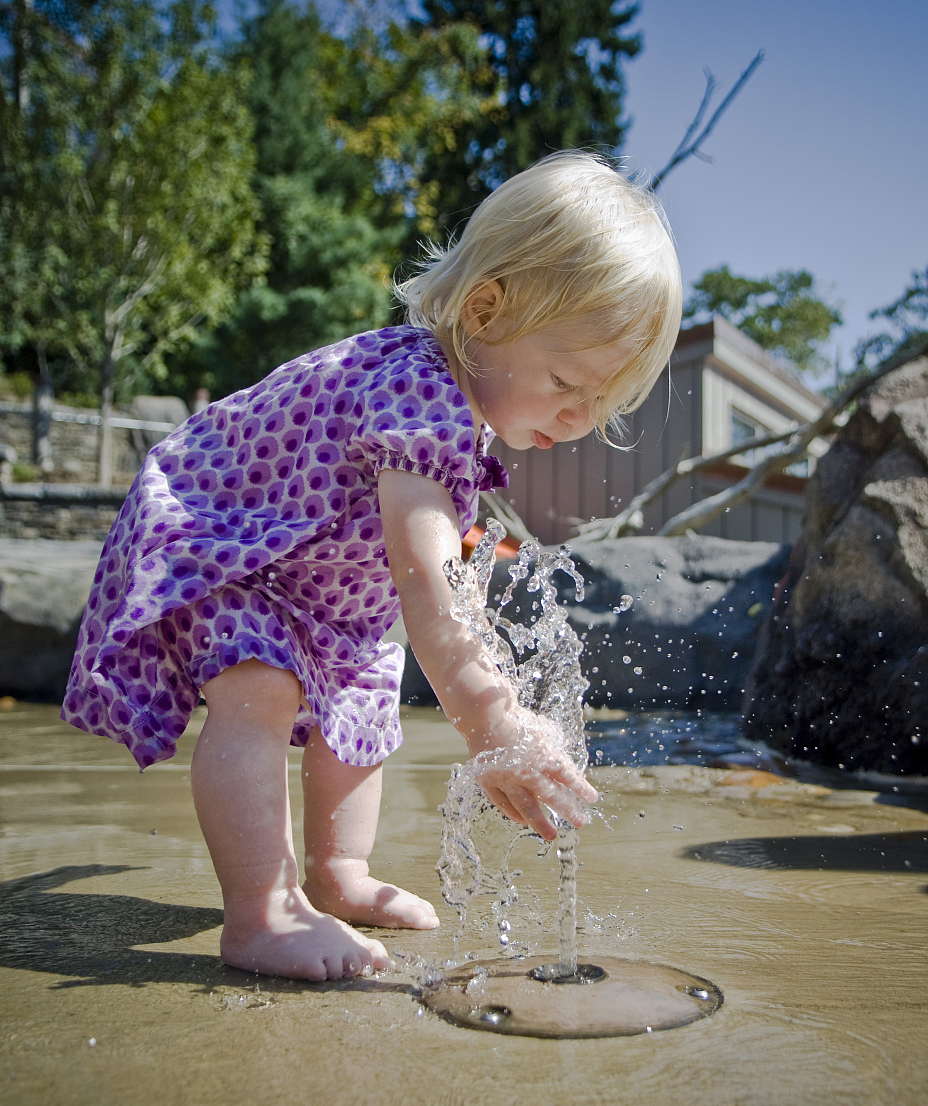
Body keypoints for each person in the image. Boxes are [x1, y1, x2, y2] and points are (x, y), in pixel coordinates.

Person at [62, 151, 682, 981]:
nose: (578, 417)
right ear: (484, 308)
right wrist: (490, 719)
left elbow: (434, 586)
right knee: (260, 692)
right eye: (568, 382)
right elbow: (426, 584)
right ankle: (261, 913)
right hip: (231, 540)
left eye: (601, 404)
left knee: (362, 696)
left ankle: (337, 873)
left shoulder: (461, 409)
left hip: (322, 581)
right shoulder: (419, 393)